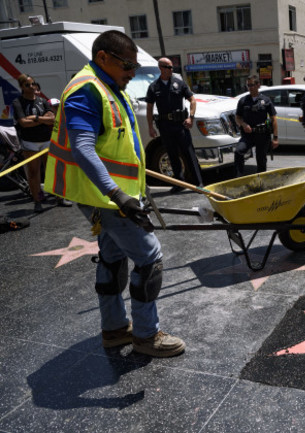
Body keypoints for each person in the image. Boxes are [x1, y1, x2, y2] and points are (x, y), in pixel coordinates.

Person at [44, 30, 185, 357]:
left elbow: (120, 146)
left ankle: (114, 329)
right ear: (104, 57)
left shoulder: (108, 85)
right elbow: (82, 148)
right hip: (103, 196)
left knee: (112, 255)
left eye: (135, 66)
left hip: (109, 194)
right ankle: (147, 336)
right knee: (150, 260)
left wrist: (138, 189)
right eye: (127, 65)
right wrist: (118, 196)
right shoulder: (86, 90)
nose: (132, 73)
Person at [12, 74, 71, 212]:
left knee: (52, 170)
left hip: (47, 141)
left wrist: (35, 118)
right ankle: (37, 200)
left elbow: (52, 119)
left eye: (33, 83)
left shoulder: (42, 101)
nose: (32, 87)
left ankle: (59, 197)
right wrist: (42, 120)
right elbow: (23, 123)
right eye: (28, 85)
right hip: (29, 143)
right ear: (22, 87)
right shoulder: (18, 102)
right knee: (34, 172)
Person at [146, 57, 202, 192]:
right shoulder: (154, 87)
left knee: (189, 153)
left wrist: (191, 117)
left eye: (172, 67)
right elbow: (149, 108)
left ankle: (199, 183)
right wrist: (150, 127)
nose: (172, 70)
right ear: (161, 68)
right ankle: (179, 183)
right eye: (169, 67)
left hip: (180, 124)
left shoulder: (179, 83)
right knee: (172, 154)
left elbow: (192, 100)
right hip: (165, 125)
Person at [234, 75, 279, 177]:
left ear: (258, 85)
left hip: (262, 134)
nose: (250, 87)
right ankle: (238, 178)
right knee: (238, 152)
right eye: (248, 85)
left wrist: (275, 138)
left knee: (261, 160)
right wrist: (244, 124)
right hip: (248, 135)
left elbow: (274, 120)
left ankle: (261, 182)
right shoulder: (243, 101)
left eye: (252, 85)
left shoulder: (266, 100)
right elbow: (237, 117)